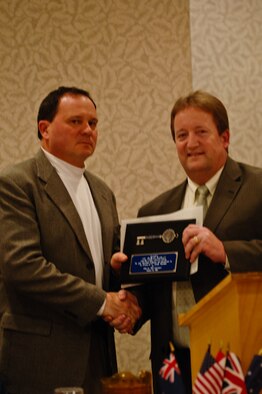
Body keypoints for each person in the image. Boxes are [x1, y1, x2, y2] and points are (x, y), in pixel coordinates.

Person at [111, 90, 262, 393]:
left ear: (225, 137)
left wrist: (226, 251)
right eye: (181, 135)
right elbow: (156, 288)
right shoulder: (154, 211)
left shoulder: (257, 188)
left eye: (201, 132)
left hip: (242, 362)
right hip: (173, 366)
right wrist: (131, 298)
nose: (190, 143)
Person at [0, 86, 141, 394]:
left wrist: (121, 280)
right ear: (44, 129)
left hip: (97, 356)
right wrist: (103, 302)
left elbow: (101, 268)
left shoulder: (103, 192)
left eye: (93, 123)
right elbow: (22, 267)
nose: (88, 130)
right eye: (76, 121)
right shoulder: (16, 184)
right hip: (39, 359)